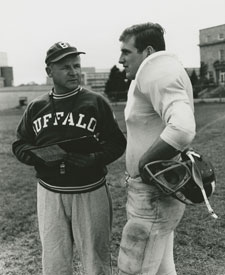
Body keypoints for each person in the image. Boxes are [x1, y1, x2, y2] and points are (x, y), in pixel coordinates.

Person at [12, 41, 126, 275]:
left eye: (76, 65)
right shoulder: (36, 106)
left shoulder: (95, 102)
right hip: (50, 192)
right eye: (65, 67)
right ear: (49, 72)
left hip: (90, 190)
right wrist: (38, 158)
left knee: (95, 259)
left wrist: (94, 158)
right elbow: (20, 143)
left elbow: (117, 143)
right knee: (54, 260)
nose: (74, 72)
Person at [117, 23, 196, 275]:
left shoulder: (156, 70)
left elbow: (182, 128)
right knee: (162, 268)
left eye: (127, 52)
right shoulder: (158, 71)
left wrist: (143, 164)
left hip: (153, 193)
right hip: (157, 191)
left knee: (134, 269)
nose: (121, 59)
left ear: (148, 51)